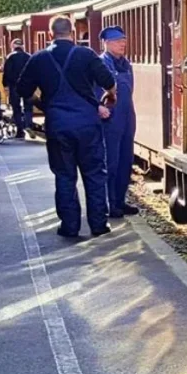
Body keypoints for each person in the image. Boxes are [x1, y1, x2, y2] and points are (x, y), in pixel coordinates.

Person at [17, 16, 117, 239]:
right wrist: (108, 97)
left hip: (58, 126)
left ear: (51, 34)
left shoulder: (39, 59)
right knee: (94, 175)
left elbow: (23, 89)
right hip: (88, 126)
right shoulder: (86, 54)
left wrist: (43, 104)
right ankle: (99, 225)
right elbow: (108, 81)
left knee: (64, 176)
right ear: (72, 32)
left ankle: (70, 227)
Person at [97, 25, 138, 219]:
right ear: (106, 43)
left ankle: (120, 199)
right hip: (111, 118)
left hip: (127, 115)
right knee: (111, 161)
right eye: (117, 41)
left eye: (123, 41)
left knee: (125, 160)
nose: (122, 44)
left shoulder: (126, 64)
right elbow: (96, 92)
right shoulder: (101, 64)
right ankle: (110, 202)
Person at [2, 38, 32, 137]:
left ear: (13, 46)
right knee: (28, 107)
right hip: (28, 85)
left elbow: (6, 73)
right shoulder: (29, 56)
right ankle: (28, 125)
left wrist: (5, 85)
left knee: (16, 108)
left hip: (14, 85)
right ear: (22, 46)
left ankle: (20, 130)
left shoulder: (10, 57)